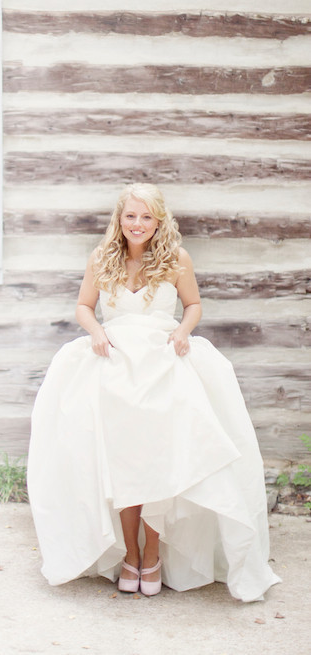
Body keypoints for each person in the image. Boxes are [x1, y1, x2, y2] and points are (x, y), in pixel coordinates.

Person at [27, 183, 280, 602]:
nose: (138, 224)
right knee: (121, 463)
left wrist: (183, 331)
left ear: (159, 220)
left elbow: (193, 305)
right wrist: (96, 332)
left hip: (163, 365)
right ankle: (130, 554)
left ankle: (152, 554)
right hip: (113, 366)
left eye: (146, 216)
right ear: (120, 218)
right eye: (130, 215)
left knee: (157, 462)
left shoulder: (177, 258)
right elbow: (84, 306)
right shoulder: (101, 258)